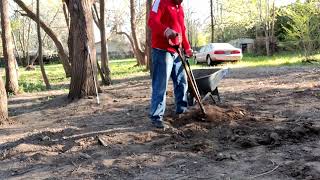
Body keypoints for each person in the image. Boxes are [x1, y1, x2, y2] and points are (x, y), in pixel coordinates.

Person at [148, 0, 193, 128]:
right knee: (160, 85)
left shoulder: (180, 8)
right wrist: (165, 30)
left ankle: (182, 110)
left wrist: (187, 47)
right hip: (162, 51)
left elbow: (182, 30)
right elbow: (152, 21)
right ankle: (156, 117)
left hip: (177, 51)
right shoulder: (160, 2)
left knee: (182, 82)